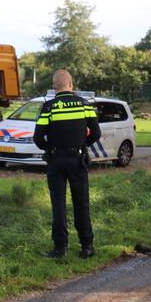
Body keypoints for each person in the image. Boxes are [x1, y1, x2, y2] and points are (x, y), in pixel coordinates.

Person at [33, 69, 101, 259]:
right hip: (77, 160)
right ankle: (87, 246)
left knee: (58, 205)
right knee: (82, 203)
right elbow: (96, 133)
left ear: (54, 88)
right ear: (71, 85)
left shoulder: (49, 107)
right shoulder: (84, 105)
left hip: (56, 161)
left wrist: (50, 149)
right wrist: (82, 146)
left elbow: (37, 137)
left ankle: (60, 248)